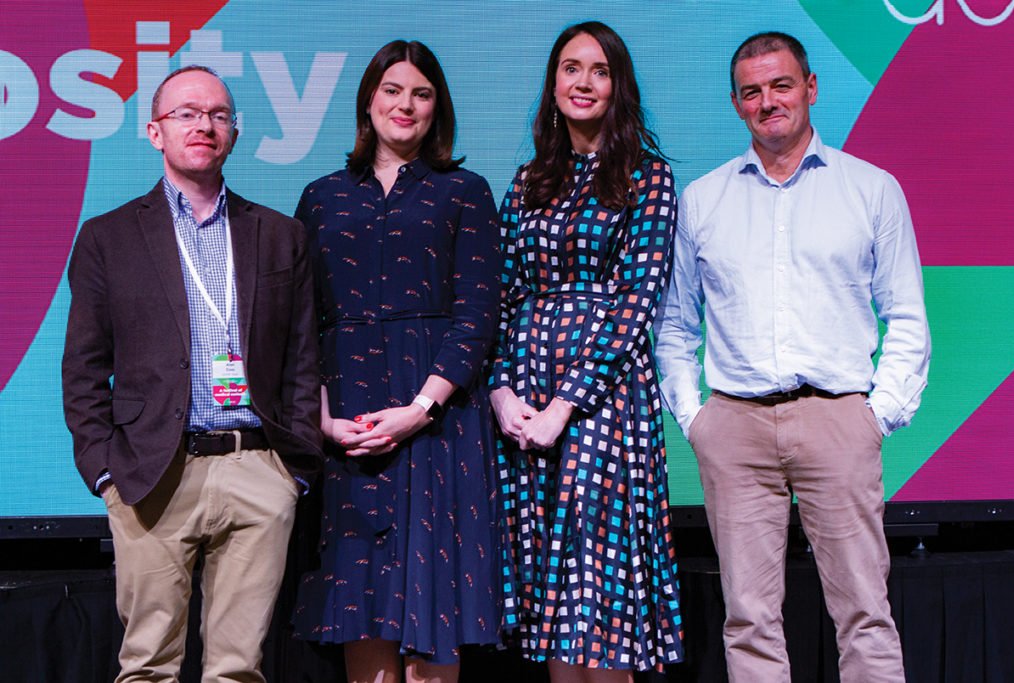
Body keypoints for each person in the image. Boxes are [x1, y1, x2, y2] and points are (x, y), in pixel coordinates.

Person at [655, 32, 931, 682]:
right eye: (751, 91)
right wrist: (696, 419)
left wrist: (877, 415)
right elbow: (674, 325)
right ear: (735, 103)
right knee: (749, 621)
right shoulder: (704, 200)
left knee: (865, 614)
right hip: (735, 426)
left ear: (810, 88)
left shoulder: (871, 189)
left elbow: (907, 315)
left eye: (781, 85)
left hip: (838, 420)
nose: (767, 101)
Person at [61, 65, 322, 682]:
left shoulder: (279, 235)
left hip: (257, 468)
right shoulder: (107, 238)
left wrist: (293, 473)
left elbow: (303, 358)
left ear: (233, 133)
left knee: (238, 669)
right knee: (148, 666)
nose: (204, 125)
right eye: (186, 113)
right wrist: (105, 472)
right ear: (155, 131)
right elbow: (84, 369)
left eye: (218, 115)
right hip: (152, 473)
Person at [289, 40, 503, 683]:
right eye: (392, 90)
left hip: (439, 425)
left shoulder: (465, 191)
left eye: (421, 93)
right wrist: (324, 420)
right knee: (362, 614)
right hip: (348, 425)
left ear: (438, 109)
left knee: (435, 620)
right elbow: (300, 322)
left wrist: (420, 409)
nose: (405, 105)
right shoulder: (321, 197)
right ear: (368, 101)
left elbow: (477, 317)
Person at [490, 21, 685, 682]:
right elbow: (505, 293)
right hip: (526, 397)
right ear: (553, 85)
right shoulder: (526, 181)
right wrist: (503, 391)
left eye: (600, 71)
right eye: (571, 68)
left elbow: (636, 302)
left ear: (617, 87)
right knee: (552, 600)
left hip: (604, 403)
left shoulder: (648, 178)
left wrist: (564, 406)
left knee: (598, 596)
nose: (583, 82)